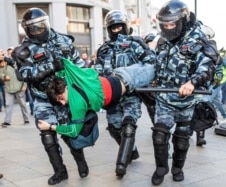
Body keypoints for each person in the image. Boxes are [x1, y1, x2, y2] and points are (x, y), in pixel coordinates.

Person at [11, 8, 86, 185]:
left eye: (41, 26)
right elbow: (26, 74)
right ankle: (60, 171)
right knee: (47, 134)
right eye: (34, 28)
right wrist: (51, 67)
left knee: (70, 133)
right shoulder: (24, 51)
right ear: (27, 30)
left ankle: (81, 163)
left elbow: (80, 64)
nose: (38, 31)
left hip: (64, 96)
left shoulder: (63, 40)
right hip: (42, 97)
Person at [149, 1, 218, 185]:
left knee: (181, 140)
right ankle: (161, 168)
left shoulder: (198, 38)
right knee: (159, 135)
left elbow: (208, 66)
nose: (168, 28)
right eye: (165, 24)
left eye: (172, 24)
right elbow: (156, 64)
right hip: (164, 99)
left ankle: (178, 169)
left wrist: (192, 82)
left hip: (188, 102)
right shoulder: (162, 40)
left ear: (183, 21)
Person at [95, 10, 156, 177]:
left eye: (119, 27)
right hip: (112, 96)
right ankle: (132, 150)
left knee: (129, 126)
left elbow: (150, 63)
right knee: (114, 128)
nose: (116, 30)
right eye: (113, 28)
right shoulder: (103, 50)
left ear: (126, 26)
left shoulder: (136, 44)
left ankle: (121, 164)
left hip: (132, 94)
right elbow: (97, 72)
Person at [38, 58, 155, 137]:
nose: (63, 103)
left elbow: (73, 131)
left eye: (61, 98)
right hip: (122, 76)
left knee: (157, 67)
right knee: (152, 63)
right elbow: (60, 61)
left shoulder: (76, 104)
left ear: (63, 89)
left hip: (130, 79)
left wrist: (50, 127)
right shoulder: (71, 75)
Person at [0, 51, 30, 127]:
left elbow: (23, 73)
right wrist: (4, 76)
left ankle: (26, 119)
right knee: (8, 104)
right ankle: (7, 121)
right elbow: (0, 74)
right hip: (9, 88)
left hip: (19, 87)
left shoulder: (15, 63)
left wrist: (25, 85)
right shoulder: (2, 65)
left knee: (23, 104)